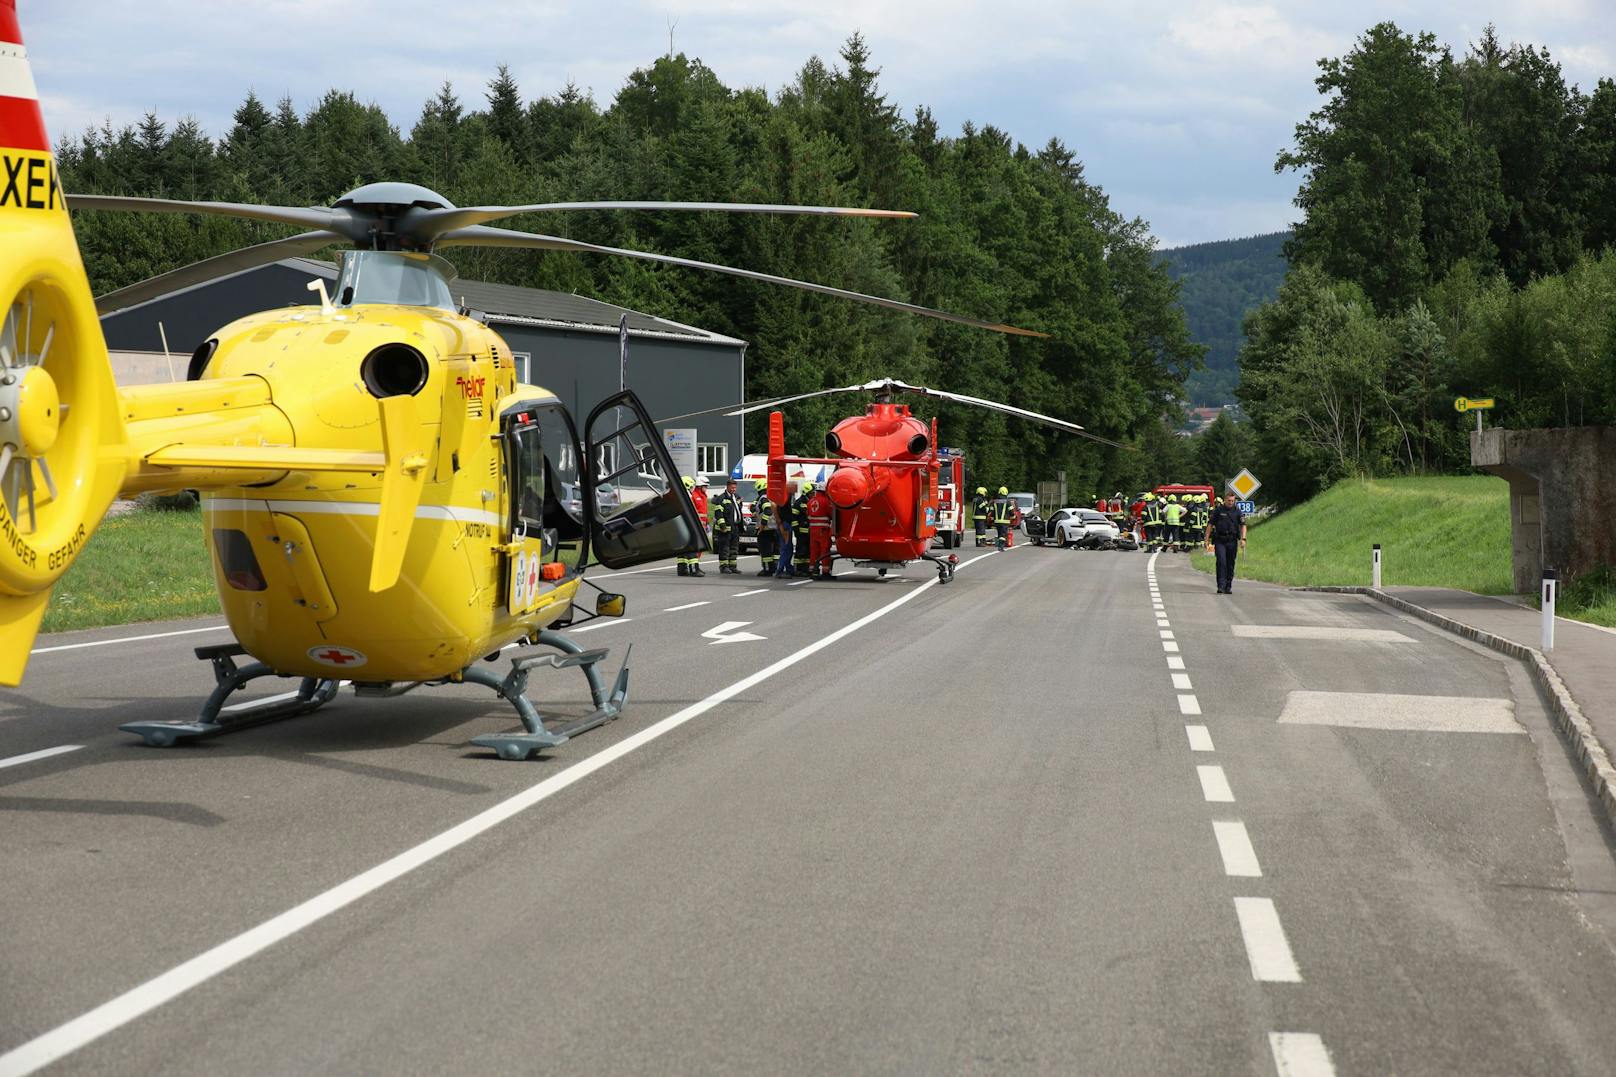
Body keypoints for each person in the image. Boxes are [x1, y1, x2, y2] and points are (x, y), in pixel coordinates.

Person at [1205, 492, 1248, 594]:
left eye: (1232, 501)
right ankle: (1221, 586)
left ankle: (1228, 586)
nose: (1230, 502)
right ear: (1225, 500)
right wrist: (1206, 540)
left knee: (1230, 563)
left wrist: (1243, 539)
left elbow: (1243, 525)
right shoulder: (1218, 511)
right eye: (1229, 500)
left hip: (1232, 541)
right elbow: (1210, 525)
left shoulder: (1238, 511)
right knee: (1221, 562)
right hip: (1220, 540)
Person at [678, 476, 708, 576]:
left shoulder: (681, 496)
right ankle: (694, 569)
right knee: (693, 547)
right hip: (689, 524)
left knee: (684, 547)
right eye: (691, 486)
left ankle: (682, 569)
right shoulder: (688, 497)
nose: (693, 488)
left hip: (683, 525)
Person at [711, 478, 743, 574]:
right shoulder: (721, 498)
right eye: (732, 487)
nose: (734, 489)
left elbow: (738, 511)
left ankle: (732, 566)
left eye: (735, 488)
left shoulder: (736, 497)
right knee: (724, 548)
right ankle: (724, 566)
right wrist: (723, 526)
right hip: (725, 529)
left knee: (734, 547)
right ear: (728, 486)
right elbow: (718, 513)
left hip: (735, 527)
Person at [806, 482, 834, 577]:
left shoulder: (810, 501)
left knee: (814, 550)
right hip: (823, 530)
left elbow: (808, 515)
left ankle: (813, 570)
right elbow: (831, 514)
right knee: (824, 550)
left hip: (812, 529)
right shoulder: (826, 501)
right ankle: (825, 572)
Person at [773, 484, 797, 578]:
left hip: (784, 524)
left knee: (788, 548)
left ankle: (788, 568)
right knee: (786, 548)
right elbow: (775, 507)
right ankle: (780, 570)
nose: (795, 489)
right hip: (785, 524)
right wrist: (781, 524)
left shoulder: (785, 497)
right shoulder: (784, 498)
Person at [754, 486, 778, 576]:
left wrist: (762, 525)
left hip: (766, 529)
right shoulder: (773, 497)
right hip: (775, 528)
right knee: (776, 551)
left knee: (765, 551)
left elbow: (768, 511)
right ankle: (775, 568)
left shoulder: (764, 498)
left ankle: (767, 570)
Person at [790, 481, 813, 576]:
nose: (813, 494)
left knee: (807, 551)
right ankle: (798, 569)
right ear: (806, 492)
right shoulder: (799, 502)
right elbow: (793, 517)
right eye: (811, 492)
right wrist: (796, 530)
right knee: (800, 551)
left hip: (807, 532)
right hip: (801, 532)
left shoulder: (809, 501)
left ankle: (805, 569)